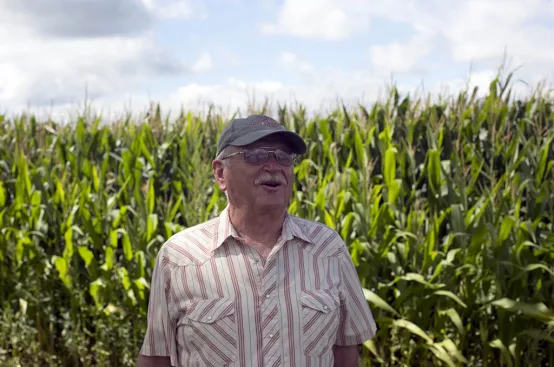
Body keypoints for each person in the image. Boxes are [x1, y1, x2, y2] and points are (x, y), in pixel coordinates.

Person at [136, 114, 377, 367]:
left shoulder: (328, 249)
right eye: (256, 155)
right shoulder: (180, 257)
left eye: (284, 157)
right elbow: (156, 358)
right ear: (220, 173)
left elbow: (346, 354)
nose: (274, 166)